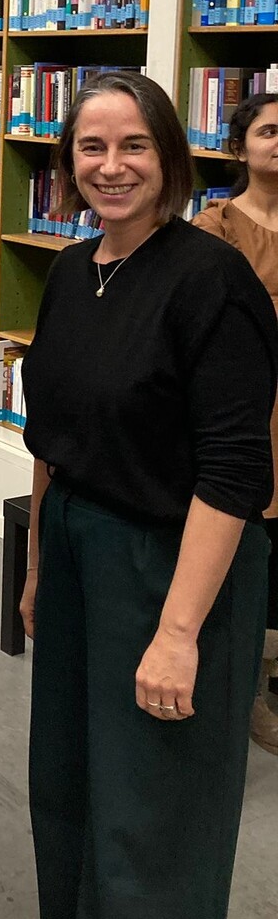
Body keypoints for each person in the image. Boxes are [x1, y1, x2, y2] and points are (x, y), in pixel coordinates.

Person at [20, 70, 277, 919]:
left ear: (170, 154)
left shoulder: (212, 280)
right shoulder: (71, 272)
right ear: (68, 162)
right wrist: (38, 569)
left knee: (155, 821)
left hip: (174, 570)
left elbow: (235, 470)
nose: (112, 166)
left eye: (134, 145)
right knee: (68, 798)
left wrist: (178, 633)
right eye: (92, 146)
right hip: (78, 555)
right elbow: (51, 442)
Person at [193, 90, 278, 753]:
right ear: (240, 147)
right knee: (251, 547)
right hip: (251, 409)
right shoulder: (215, 227)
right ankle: (243, 685)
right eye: (268, 131)